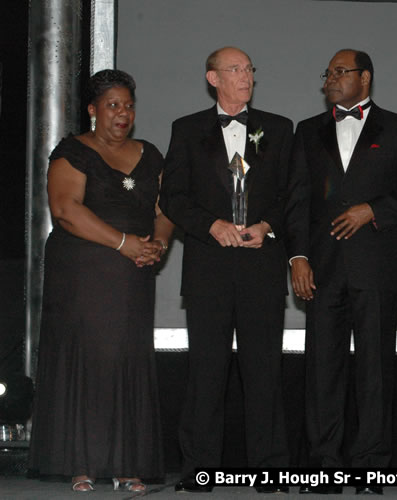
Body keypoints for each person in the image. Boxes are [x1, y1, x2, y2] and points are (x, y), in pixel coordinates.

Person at [285, 48, 397, 494]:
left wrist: (373, 210)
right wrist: (298, 257)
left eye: (340, 72)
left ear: (365, 78)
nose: (331, 78)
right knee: (322, 370)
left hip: (377, 268)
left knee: (374, 370)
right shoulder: (306, 131)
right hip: (322, 268)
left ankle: (370, 468)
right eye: (328, 72)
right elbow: (297, 202)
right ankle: (323, 467)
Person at [29, 69, 172, 493]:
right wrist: (125, 243)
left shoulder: (149, 153)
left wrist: (158, 245)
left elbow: (165, 211)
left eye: (128, 105)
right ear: (93, 110)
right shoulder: (73, 150)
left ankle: (127, 462)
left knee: (126, 359)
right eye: (113, 105)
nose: (122, 114)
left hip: (132, 275)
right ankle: (83, 462)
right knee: (91, 360)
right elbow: (66, 210)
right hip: (83, 273)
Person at [159, 47, 291, 494]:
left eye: (250, 68)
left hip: (261, 266)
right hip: (207, 268)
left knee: (264, 370)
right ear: (213, 78)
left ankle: (270, 469)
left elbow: (294, 193)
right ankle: (198, 470)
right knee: (206, 371)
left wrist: (267, 224)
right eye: (235, 69)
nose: (246, 76)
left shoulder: (278, 128)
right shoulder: (187, 129)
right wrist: (210, 225)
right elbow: (173, 198)